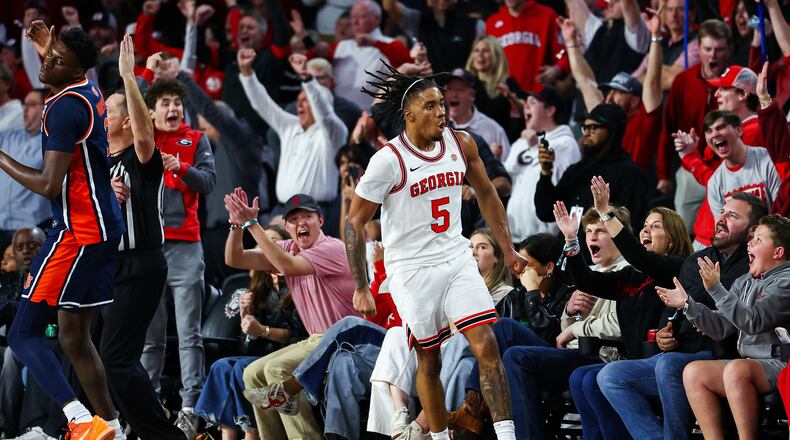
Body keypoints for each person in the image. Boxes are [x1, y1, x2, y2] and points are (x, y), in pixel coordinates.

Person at [346, 62, 526, 440]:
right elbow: (353, 222)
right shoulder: (388, 160)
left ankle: (508, 435)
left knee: (487, 342)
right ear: (408, 114)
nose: (441, 112)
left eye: (442, 104)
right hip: (411, 269)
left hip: (456, 258)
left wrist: (507, 248)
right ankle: (440, 437)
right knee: (429, 358)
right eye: (430, 106)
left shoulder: (462, 143)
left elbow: (489, 194)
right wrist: (362, 285)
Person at [0, 23, 125, 438]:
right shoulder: (88, 91)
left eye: (54, 60)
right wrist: (48, 48)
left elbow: (48, 185)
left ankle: (78, 419)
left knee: (22, 333)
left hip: (78, 231)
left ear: (73, 70)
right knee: (73, 336)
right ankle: (112, 427)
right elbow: (71, 66)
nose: (45, 63)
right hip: (105, 229)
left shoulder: (61, 108)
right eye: (47, 55)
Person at [598, 192, 765, 440]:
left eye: (732, 215)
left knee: (668, 365)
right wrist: (667, 330)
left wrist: (607, 215)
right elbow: (672, 310)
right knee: (609, 375)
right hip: (680, 352)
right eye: (722, 212)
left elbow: (733, 319)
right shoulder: (696, 261)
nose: (722, 219)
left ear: (752, 230)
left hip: (718, 354)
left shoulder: (752, 266)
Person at [553, 194, 694, 440]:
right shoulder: (630, 276)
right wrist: (571, 240)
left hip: (666, 364)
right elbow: (586, 281)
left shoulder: (677, 268)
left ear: (671, 239)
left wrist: (606, 213)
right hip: (636, 363)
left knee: (597, 378)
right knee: (582, 378)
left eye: (656, 226)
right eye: (644, 226)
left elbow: (641, 257)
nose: (646, 231)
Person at [102, 35, 186, 440]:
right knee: (114, 359)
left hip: (141, 264)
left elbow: (145, 133)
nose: (102, 118)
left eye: (108, 113)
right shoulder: (101, 165)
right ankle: (140, 427)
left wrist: (129, 76)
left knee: (115, 359)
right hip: (109, 267)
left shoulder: (141, 157)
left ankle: (161, 434)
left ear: (125, 121)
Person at [224, 191, 357, 439]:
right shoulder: (290, 248)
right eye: (294, 220)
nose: (300, 223)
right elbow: (235, 258)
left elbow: (286, 266)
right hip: (316, 340)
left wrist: (252, 224)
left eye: (307, 216)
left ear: (321, 220)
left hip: (344, 340)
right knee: (251, 374)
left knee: (276, 370)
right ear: (286, 226)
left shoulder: (332, 248)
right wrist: (236, 224)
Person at [493, 206, 631, 439]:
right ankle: (479, 412)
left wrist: (573, 326)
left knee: (515, 355)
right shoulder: (589, 272)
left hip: (600, 355)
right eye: (588, 232)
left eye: (601, 231)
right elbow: (564, 327)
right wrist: (569, 311)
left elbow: (620, 324)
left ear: (619, 234)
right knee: (499, 334)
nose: (592, 237)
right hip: (571, 352)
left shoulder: (629, 271)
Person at [658, 215, 790, 439]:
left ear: (778, 252)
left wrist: (716, 289)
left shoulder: (786, 281)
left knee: (737, 369)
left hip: (780, 362)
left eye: (758, 239)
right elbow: (720, 328)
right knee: (694, 372)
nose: (750, 243)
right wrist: (688, 304)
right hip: (750, 364)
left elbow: (753, 321)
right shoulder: (745, 281)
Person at [140, 74, 216, 434]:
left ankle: (189, 408)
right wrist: (143, 74)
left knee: (189, 335)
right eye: (165, 103)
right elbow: (128, 98)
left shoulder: (196, 138)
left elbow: (209, 183)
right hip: (148, 247)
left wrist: (182, 168)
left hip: (186, 245)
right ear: (151, 111)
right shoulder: (142, 138)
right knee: (150, 336)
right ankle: (149, 405)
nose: (173, 108)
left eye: (177, 103)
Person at [195, 226, 307, 439]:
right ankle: (227, 434)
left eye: (271, 240)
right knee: (221, 366)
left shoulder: (296, 281)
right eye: (259, 243)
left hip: (289, 356)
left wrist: (263, 330)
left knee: (241, 369)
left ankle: (251, 434)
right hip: (263, 354)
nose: (264, 247)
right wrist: (246, 317)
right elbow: (247, 346)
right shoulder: (259, 286)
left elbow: (298, 335)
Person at [238, 50, 347, 235]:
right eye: (298, 100)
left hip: (318, 212)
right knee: (269, 259)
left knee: (315, 264)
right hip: (284, 210)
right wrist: (247, 73)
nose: (299, 105)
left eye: (306, 101)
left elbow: (325, 113)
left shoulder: (334, 132)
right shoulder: (290, 126)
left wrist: (307, 77)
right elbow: (263, 105)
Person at [559, 9, 664, 179]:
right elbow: (586, 82)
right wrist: (571, 43)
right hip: (600, 188)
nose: (610, 96)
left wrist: (655, 37)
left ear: (636, 101)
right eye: (610, 91)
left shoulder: (643, 122)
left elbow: (652, 82)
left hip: (628, 188)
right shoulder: (606, 119)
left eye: (618, 92)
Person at [534, 103, 649, 246]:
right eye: (585, 127)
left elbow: (631, 229)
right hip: (567, 258)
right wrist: (546, 173)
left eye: (593, 128)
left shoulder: (629, 174)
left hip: (602, 264)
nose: (586, 133)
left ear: (612, 131)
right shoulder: (576, 170)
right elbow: (545, 212)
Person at [657, 19, 732, 219]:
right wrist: (663, 173)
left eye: (719, 49)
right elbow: (668, 126)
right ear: (698, 48)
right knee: (683, 230)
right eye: (708, 49)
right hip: (689, 170)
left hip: (725, 171)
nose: (713, 55)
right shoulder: (683, 80)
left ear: (729, 50)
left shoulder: (736, 83)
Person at [505, 85, 579, 241]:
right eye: (525, 102)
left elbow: (564, 189)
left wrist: (535, 146)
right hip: (514, 235)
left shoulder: (566, 144)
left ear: (550, 110)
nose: (525, 105)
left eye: (532, 102)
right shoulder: (520, 143)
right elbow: (506, 183)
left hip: (545, 238)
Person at [0, 88, 49, 252]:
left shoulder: (51, 143)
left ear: (45, 108)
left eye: (32, 104)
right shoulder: (9, 136)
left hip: (32, 230)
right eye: (24, 104)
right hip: (2, 226)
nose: (25, 109)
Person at [484, 0, 566, 93]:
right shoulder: (492, 23)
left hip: (538, 97)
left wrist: (557, 69)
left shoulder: (546, 16)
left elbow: (561, 53)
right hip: (503, 98)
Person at [464, 36, 525, 141]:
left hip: (504, 144)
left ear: (496, 55)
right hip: (473, 145)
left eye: (486, 51)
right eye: (476, 50)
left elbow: (526, 112)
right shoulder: (466, 84)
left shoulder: (509, 84)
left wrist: (511, 97)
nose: (480, 55)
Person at [444, 69, 511, 161]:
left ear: (472, 95)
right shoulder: (438, 127)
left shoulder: (494, 130)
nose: (454, 94)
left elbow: (506, 169)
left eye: (460, 89)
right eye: (450, 89)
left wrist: (489, 159)